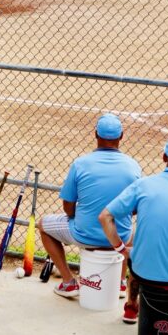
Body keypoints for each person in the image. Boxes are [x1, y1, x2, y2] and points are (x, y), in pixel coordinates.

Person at [100, 134, 168, 331]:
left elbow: (105, 216)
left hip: (142, 271)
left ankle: (131, 307)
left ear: (164, 157)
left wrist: (120, 249)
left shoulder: (143, 185)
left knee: (137, 248)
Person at [39, 114, 142, 299]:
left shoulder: (80, 164)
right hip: (120, 236)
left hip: (84, 234)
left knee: (43, 224)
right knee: (131, 231)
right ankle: (120, 282)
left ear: (96, 134)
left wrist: (82, 216)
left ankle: (69, 282)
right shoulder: (133, 166)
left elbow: (68, 208)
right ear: (121, 136)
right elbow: (135, 208)